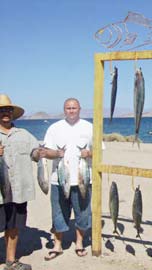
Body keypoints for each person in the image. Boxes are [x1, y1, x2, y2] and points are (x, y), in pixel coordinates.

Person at [39, 98, 93, 260]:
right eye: (68, 108)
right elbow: (45, 152)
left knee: (83, 213)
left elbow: (100, 151)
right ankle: (58, 245)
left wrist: (89, 153)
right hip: (59, 180)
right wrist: (56, 154)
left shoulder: (89, 127)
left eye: (74, 108)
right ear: (64, 110)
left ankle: (79, 242)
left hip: (83, 180)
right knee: (58, 214)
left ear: (79, 109)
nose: (71, 110)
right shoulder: (54, 128)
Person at [0, 94, 41, 270]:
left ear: (13, 113)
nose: (5, 113)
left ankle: (10, 261)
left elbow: (35, 152)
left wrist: (41, 153)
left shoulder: (24, 134)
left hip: (18, 191)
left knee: (14, 227)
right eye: (2, 110)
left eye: (8, 110)